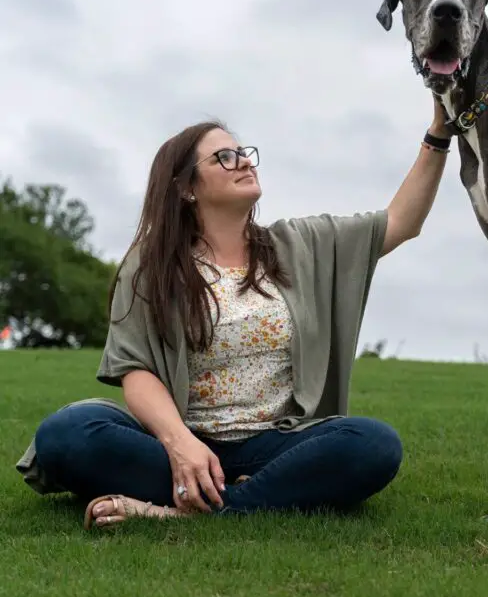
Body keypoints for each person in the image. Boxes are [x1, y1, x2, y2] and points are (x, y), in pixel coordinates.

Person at [14, 98, 454, 528]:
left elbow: (401, 222)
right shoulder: (152, 263)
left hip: (275, 444)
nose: (244, 161)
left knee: (373, 445)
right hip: (179, 445)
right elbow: (135, 370)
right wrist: (180, 443)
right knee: (66, 433)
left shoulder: (300, 244)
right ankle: (244, 495)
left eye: (243, 153)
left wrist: (439, 133)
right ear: (187, 187)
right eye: (224, 157)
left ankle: (185, 510)